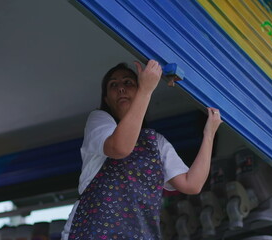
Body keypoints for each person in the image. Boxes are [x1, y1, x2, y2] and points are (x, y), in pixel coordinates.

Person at [61, 60, 222, 239]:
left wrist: (209, 134)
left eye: (128, 82)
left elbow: (192, 184)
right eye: (113, 85)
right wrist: (145, 90)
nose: (121, 88)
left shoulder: (155, 142)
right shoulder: (99, 121)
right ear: (106, 99)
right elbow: (120, 147)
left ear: (137, 89)